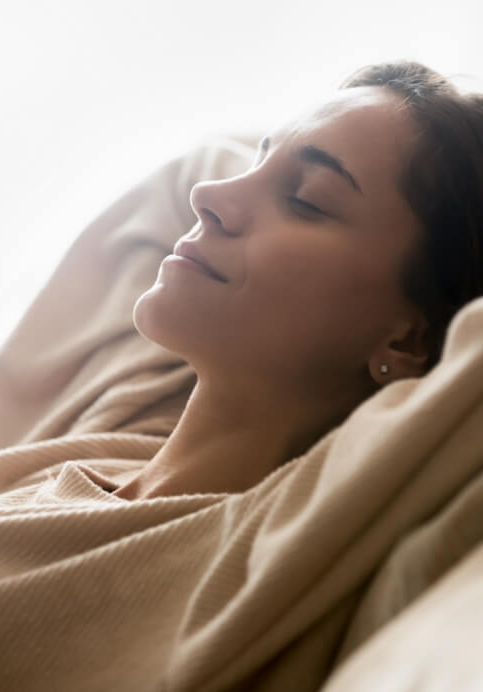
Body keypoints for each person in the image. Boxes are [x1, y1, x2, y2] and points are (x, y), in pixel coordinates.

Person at [112, 60, 483, 500]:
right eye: (257, 161)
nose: (208, 194)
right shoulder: (109, 428)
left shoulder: (277, 548)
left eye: (306, 199)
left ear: (409, 342)